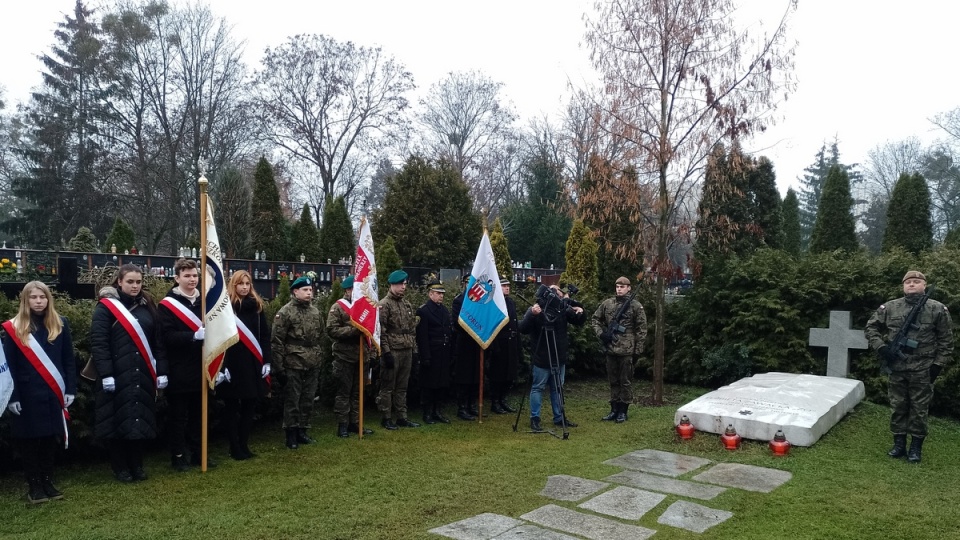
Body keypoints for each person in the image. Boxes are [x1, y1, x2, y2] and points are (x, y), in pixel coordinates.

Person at [865, 270, 953, 464]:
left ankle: (915, 447)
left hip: (923, 368)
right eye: (908, 282)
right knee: (898, 406)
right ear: (903, 286)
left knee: (919, 409)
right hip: (897, 367)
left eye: (916, 281)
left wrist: (937, 366)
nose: (912, 285)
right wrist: (882, 348)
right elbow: (870, 328)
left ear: (924, 285)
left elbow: (946, 340)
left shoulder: (937, 309)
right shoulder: (890, 307)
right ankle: (898, 444)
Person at [91, 264, 167, 483]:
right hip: (116, 374)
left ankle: (137, 465)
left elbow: (157, 341)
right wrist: (106, 374)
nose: (135, 286)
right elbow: (99, 343)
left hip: (142, 371)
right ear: (119, 282)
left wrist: (161, 370)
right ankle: (120, 467)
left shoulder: (147, 306)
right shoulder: (106, 308)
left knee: (138, 418)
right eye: (130, 282)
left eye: (138, 282)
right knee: (117, 420)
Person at [2, 281, 76, 503]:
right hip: (26, 393)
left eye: (42, 297)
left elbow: (68, 360)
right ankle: (34, 485)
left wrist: (70, 389)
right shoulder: (13, 328)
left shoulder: (60, 324)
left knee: (48, 440)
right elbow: (9, 366)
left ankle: (47, 481)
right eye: (33, 297)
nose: (38, 301)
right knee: (30, 441)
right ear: (26, 300)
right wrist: (12, 397)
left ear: (48, 299)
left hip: (53, 392)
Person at [158, 258, 224, 470]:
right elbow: (166, 336)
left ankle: (199, 453)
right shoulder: (167, 305)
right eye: (187, 276)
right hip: (179, 369)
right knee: (179, 418)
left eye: (195, 275)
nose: (192, 279)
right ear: (177, 278)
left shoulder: (205, 301)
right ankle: (178, 456)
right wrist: (192, 336)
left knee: (200, 415)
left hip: (201, 368)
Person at [518, 284, 585, 432]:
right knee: (538, 388)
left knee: (557, 388)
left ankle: (559, 417)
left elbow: (579, 321)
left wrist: (579, 309)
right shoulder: (537, 309)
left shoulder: (562, 309)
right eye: (553, 290)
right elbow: (522, 328)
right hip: (542, 358)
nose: (557, 293)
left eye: (558, 291)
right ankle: (535, 419)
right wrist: (532, 314)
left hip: (559, 356)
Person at [220, 270, 271, 459]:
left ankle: (244, 444)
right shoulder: (225, 308)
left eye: (247, 284)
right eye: (240, 284)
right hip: (232, 364)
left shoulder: (257, 308)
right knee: (231, 408)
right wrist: (222, 366)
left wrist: (267, 360)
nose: (244, 287)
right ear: (233, 285)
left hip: (252, 363)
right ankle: (234, 447)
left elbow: (264, 335)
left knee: (250, 405)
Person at [272, 275, 324, 449]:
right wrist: (279, 369)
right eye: (305, 290)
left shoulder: (315, 312)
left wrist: (318, 358)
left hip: (312, 361)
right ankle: (291, 434)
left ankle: (302, 430)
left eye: (310, 290)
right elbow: (277, 341)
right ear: (295, 291)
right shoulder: (285, 312)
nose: (309, 293)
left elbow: (320, 335)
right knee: (293, 400)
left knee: (308, 399)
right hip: (293, 361)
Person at [592, 276, 647, 423]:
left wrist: (637, 350)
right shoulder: (607, 304)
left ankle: (623, 410)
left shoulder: (635, 306)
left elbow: (641, 329)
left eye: (622, 287)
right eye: (617, 286)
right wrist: (601, 334)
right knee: (613, 381)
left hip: (627, 350)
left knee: (625, 381)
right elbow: (595, 319)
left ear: (629, 288)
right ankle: (614, 409)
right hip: (611, 349)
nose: (619, 289)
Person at [326, 275, 374, 438]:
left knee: (358, 392)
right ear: (347, 290)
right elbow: (332, 330)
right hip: (344, 356)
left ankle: (356, 423)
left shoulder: (364, 307)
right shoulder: (338, 307)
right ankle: (343, 425)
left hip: (362, 355)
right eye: (355, 289)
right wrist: (353, 331)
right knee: (344, 392)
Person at [377, 269, 420, 430]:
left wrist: (414, 350)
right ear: (392, 285)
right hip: (393, 350)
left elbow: (411, 329)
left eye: (405, 284)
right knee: (388, 386)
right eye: (400, 284)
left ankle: (402, 416)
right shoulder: (384, 304)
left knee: (402, 386)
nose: (403, 287)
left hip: (406, 349)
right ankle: (386, 417)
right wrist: (386, 352)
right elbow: (382, 330)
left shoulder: (406, 304)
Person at [415, 279, 453, 425]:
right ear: (431, 294)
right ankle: (427, 412)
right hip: (431, 352)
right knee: (429, 385)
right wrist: (425, 356)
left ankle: (438, 411)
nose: (441, 296)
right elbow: (422, 336)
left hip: (443, 352)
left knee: (441, 384)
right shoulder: (424, 310)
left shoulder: (443, 310)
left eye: (442, 294)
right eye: (438, 293)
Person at [487, 278, 521, 414]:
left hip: (511, 343)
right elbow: (492, 325)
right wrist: (494, 346)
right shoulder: (495, 303)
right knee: (498, 375)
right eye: (504, 286)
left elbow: (515, 324)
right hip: (500, 343)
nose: (507, 288)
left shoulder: (510, 302)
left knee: (509, 374)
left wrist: (518, 344)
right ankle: (495, 402)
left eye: (508, 286)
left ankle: (503, 399)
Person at [451, 275, 481, 420]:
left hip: (477, 343)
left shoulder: (480, 302)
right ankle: (462, 407)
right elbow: (456, 323)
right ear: (464, 285)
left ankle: (472, 405)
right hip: (464, 343)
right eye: (468, 283)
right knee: (464, 377)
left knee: (476, 375)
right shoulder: (458, 301)